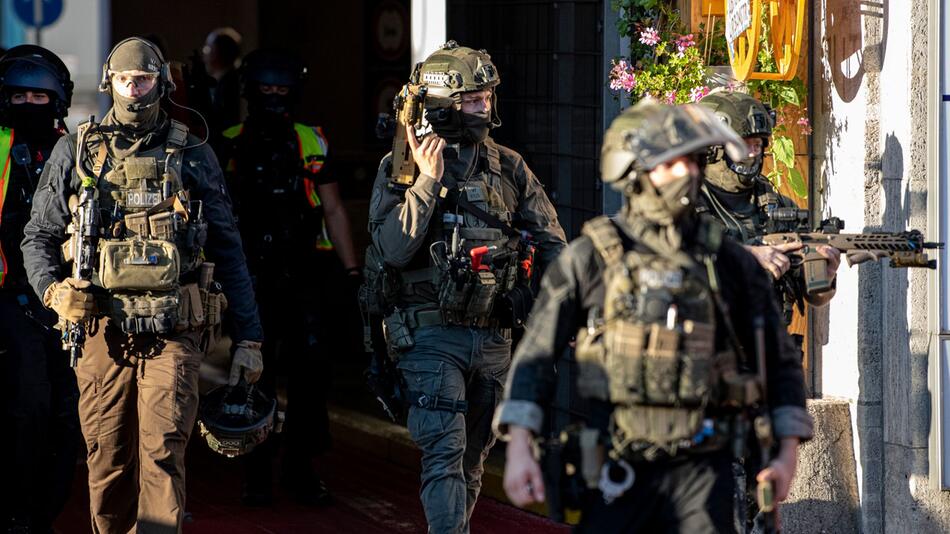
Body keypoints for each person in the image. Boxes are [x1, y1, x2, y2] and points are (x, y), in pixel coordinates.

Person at [495, 100, 814, 533]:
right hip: (619, 463)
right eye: (672, 163)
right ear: (635, 169)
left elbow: (778, 361)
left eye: (694, 161)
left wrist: (786, 452)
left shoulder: (726, 260)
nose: (687, 173)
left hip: (705, 469)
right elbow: (536, 354)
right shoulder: (594, 257)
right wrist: (519, 448)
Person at [21, 37, 263, 533]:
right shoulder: (76, 150)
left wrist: (250, 338)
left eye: (145, 80)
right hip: (100, 332)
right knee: (106, 460)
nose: (134, 90)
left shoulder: (193, 153)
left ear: (163, 84)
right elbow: (38, 236)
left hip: (173, 331)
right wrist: (53, 292)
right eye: (126, 80)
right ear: (109, 83)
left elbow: (229, 249)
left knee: (162, 454)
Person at [367, 40, 567, 533]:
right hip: (431, 336)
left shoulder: (509, 166)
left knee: (473, 461)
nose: (485, 108)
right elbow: (392, 249)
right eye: (474, 99)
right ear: (444, 104)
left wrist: (545, 308)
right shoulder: (402, 167)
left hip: (494, 334)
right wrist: (428, 183)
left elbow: (554, 244)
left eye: (487, 98)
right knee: (445, 451)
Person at [216, 48, 360, 506]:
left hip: (305, 275)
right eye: (266, 89)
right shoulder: (228, 142)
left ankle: (300, 467)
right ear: (250, 91)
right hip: (250, 278)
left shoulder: (312, 140)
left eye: (282, 89)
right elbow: (213, 218)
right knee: (253, 375)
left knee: (310, 376)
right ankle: (255, 473)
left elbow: (333, 207)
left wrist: (352, 269)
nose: (274, 97)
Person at [0, 44, 79, 534]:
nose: (31, 104)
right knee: (24, 407)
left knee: (65, 417)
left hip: (69, 304)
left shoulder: (76, 149)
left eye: (40, 96)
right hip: (8, 298)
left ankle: (41, 513)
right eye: (19, 96)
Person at [697, 91, 841, 329]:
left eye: (758, 144)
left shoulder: (781, 208)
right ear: (714, 148)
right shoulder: (686, 203)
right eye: (743, 144)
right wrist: (750, 256)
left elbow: (812, 294)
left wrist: (825, 278)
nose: (754, 152)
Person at [202, 27, 243, 135]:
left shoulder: (230, 83)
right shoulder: (225, 80)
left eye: (209, 47)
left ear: (219, 52)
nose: (205, 51)